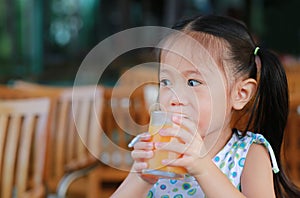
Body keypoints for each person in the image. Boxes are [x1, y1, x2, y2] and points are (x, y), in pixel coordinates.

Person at [112, 15, 300, 197]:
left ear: (240, 94)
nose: (174, 97)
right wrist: (140, 178)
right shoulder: (153, 150)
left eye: (193, 82)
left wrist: (203, 167)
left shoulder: (249, 153)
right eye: (166, 82)